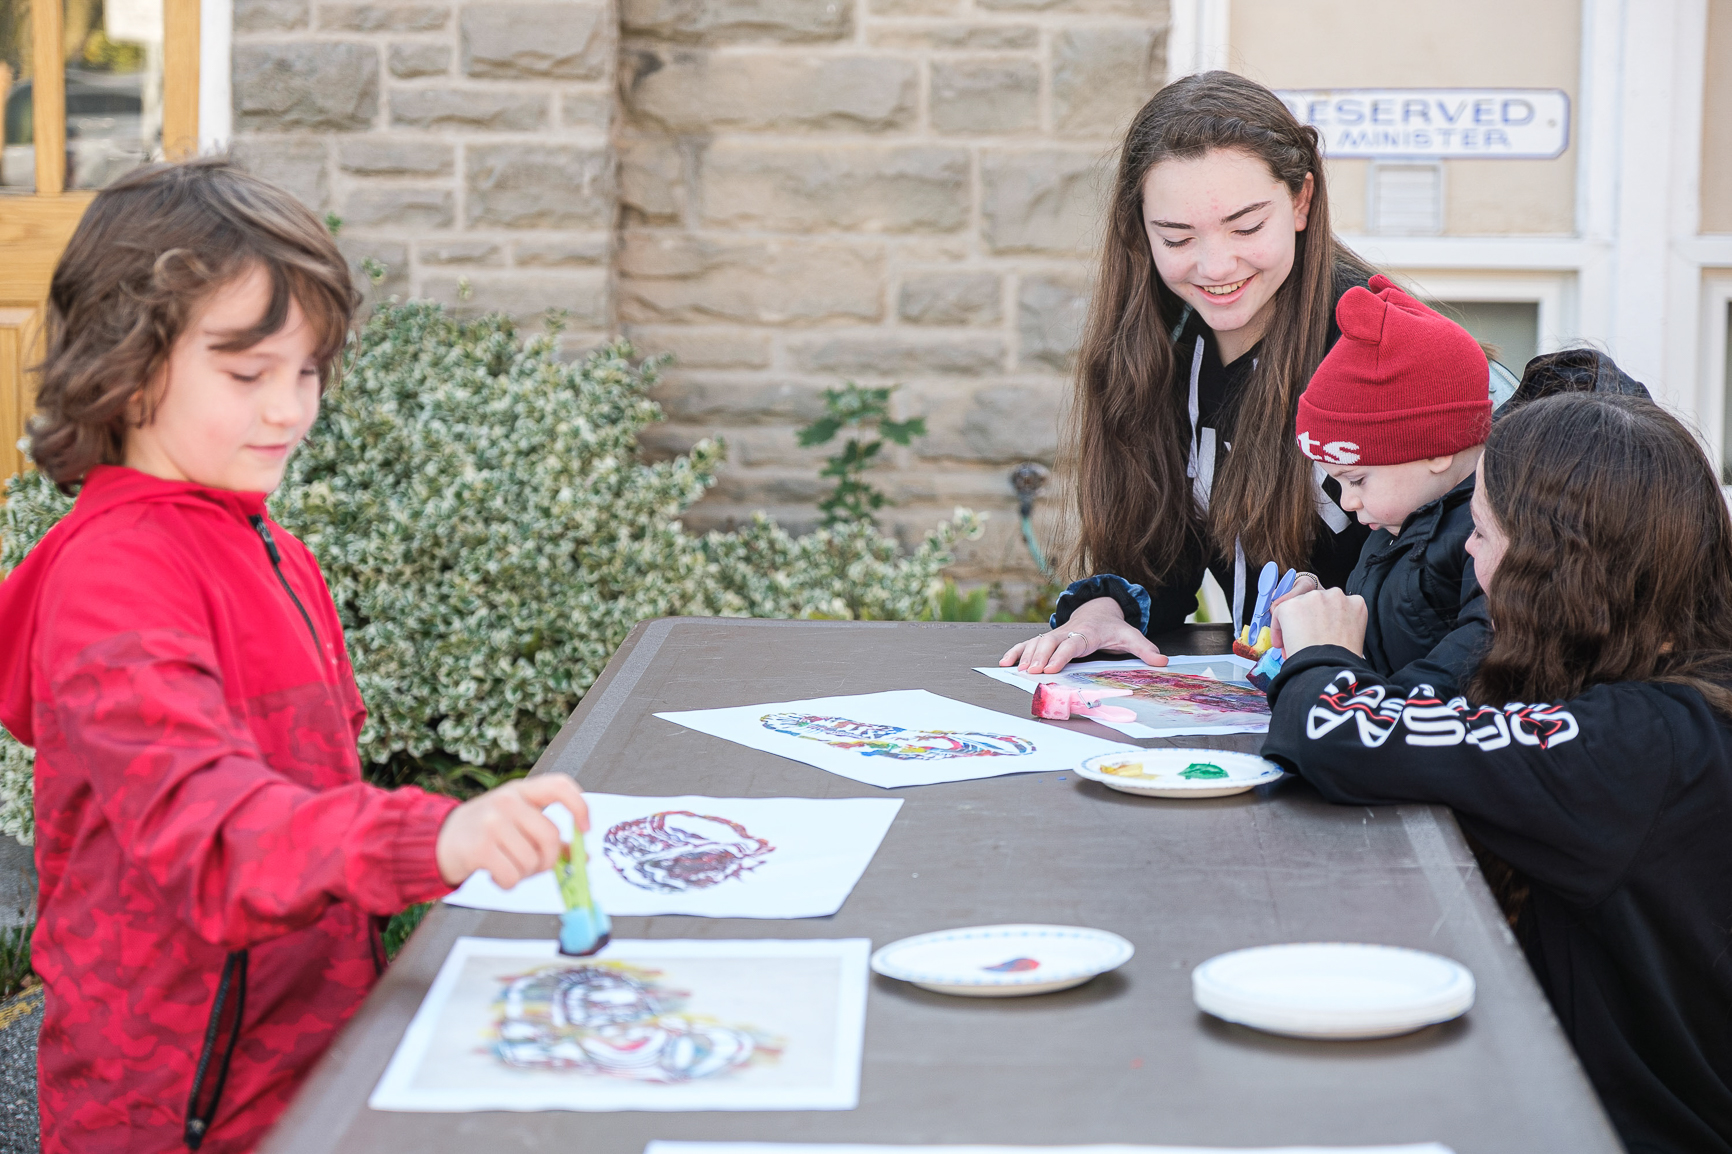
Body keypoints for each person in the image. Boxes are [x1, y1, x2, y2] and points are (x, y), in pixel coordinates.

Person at [0, 158, 590, 1153]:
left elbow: (314, 800)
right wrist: (438, 838)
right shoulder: (113, 581)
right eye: (248, 374)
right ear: (126, 370)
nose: (291, 409)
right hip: (174, 1110)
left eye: (307, 370)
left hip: (304, 1069)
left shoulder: (270, 544)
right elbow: (213, 835)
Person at [1263, 392, 1732, 1153]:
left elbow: (1336, 733)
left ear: (1556, 565)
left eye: (1480, 533)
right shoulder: (1676, 691)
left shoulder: (1638, 746)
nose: (1469, 562)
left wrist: (1323, 657)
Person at [1002, 71, 1513, 677]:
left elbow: (1484, 593)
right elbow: (1160, 559)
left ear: (1301, 201)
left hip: (1390, 710)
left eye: (1246, 227)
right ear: (1141, 230)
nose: (1216, 265)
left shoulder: (1397, 357)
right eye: (1177, 238)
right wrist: (1102, 613)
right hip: (1264, 702)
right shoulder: (1157, 357)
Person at [1286, 273, 1491, 690]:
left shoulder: (1488, 543)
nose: (1348, 502)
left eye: (1357, 479)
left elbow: (1462, 679)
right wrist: (1325, 613)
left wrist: (1329, 676)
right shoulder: (1397, 526)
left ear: (1436, 448)